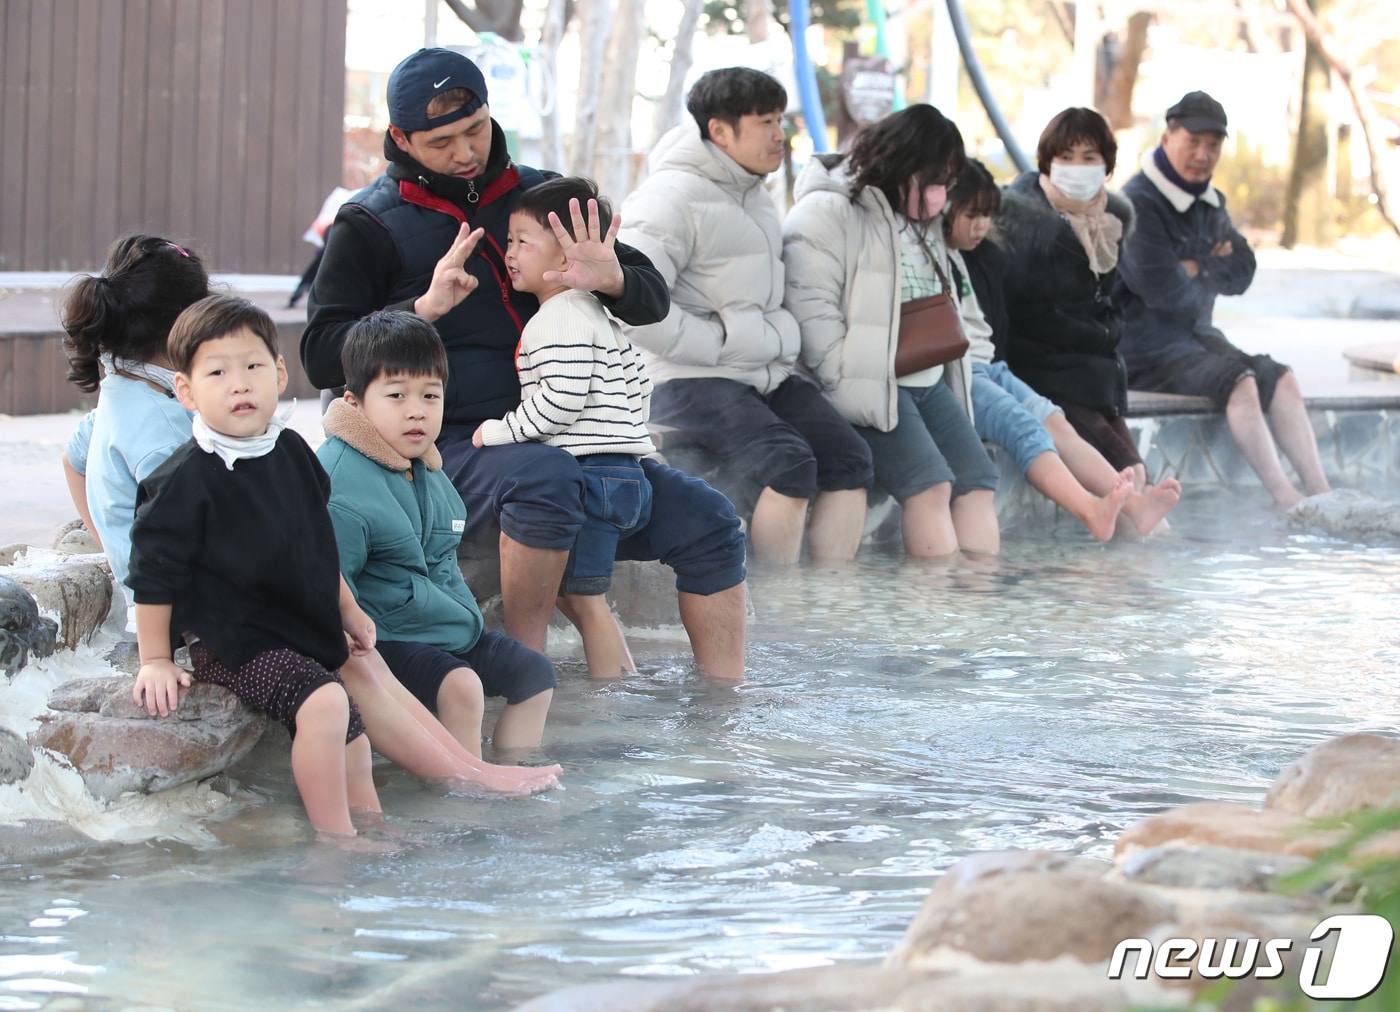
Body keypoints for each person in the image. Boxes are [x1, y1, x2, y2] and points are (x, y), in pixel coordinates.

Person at [301, 47, 747, 679]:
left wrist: (614, 276)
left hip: (573, 436)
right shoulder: (369, 222)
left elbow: (651, 300)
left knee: (710, 518)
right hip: (448, 440)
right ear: (400, 138)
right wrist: (421, 309)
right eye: (441, 141)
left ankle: (724, 708)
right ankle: (522, 667)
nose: (465, 153)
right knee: (544, 476)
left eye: (475, 130)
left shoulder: (541, 195)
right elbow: (321, 357)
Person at [127, 295, 383, 838]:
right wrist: (153, 658)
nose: (239, 384)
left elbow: (318, 543)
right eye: (218, 372)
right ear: (187, 391)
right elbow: (154, 574)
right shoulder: (184, 480)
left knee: (356, 740)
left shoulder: (290, 450)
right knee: (325, 703)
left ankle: (374, 827)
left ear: (280, 372)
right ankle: (336, 840)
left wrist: (348, 608)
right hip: (232, 643)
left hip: (296, 629)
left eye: (252, 367)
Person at [617, 67, 874, 566]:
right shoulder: (668, 198)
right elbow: (632, 307)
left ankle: (831, 601)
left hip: (759, 370)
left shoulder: (754, 191)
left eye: (781, 120)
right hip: (687, 377)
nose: (781, 135)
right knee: (789, 464)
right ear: (720, 131)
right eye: (766, 122)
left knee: (851, 458)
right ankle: (778, 607)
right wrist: (719, 342)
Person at [320, 311, 559, 758]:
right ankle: (462, 794)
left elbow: (443, 564)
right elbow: (330, 587)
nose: (418, 410)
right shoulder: (340, 485)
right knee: (463, 686)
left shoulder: (426, 467)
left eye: (431, 395)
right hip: (386, 641)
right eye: (396, 396)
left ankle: (516, 768)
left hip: (446, 630)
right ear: (354, 403)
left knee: (535, 674)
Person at [783, 104, 1000, 559]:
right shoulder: (829, 210)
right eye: (935, 177)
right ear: (902, 163)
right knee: (931, 485)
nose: (942, 193)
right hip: (869, 384)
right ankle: (932, 610)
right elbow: (812, 309)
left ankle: (982, 609)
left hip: (925, 379)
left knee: (977, 479)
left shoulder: (923, 220)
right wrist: (848, 385)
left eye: (948, 180)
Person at [470, 178, 655, 677]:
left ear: (569, 253)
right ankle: (622, 684)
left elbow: (559, 403)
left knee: (584, 600)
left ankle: (611, 697)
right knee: (586, 597)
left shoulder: (556, 318)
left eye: (522, 242)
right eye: (508, 241)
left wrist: (498, 431)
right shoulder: (597, 312)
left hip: (593, 477)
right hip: (627, 475)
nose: (509, 254)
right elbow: (640, 380)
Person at [1116, 92, 1330, 508]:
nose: (1203, 154)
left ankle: (1320, 492)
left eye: (1212, 145)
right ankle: (1286, 498)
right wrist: (1206, 263)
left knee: (1279, 376)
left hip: (1194, 337)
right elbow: (1162, 290)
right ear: (1167, 138)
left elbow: (1244, 269)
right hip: (1142, 348)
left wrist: (1193, 266)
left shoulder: (1210, 203)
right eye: (1193, 142)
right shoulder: (1138, 202)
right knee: (1239, 381)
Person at [945, 160, 1181, 538]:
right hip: (960, 373)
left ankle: (1136, 506)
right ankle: (1090, 511)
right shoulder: (937, 250)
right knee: (1025, 427)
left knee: (1056, 422)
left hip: (991, 366)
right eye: (971, 215)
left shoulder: (976, 253)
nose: (980, 226)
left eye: (986, 215)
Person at [995, 107, 1180, 516]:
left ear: (1107, 165)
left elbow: (1105, 307)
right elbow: (1012, 313)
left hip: (1091, 376)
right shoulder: (1021, 222)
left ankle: (1122, 560)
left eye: (1089, 157)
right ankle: (1146, 558)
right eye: (1065, 156)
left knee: (1134, 472)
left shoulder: (1107, 222)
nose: (1076, 167)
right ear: (1047, 161)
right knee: (1128, 473)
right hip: (1042, 374)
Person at [60, 235, 210, 602]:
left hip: (153, 598)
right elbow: (199, 547)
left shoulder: (124, 388)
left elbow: (72, 459)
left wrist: (112, 544)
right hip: (183, 617)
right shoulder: (163, 432)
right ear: (185, 326)